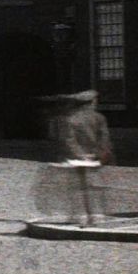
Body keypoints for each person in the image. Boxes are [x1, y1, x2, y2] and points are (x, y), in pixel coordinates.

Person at [47, 90, 112, 224]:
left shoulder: (70, 118)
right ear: (91, 103)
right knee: (94, 187)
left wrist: (80, 155)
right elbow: (104, 139)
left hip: (76, 159)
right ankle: (96, 215)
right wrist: (99, 154)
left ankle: (80, 216)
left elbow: (68, 140)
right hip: (94, 159)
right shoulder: (99, 118)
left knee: (76, 187)